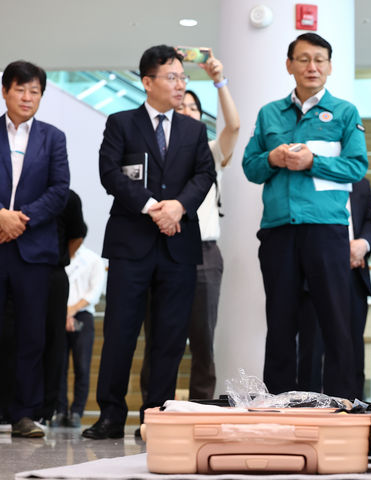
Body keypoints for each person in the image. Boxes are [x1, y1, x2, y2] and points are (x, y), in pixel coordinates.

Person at [83, 45, 215, 440]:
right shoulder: (121, 122)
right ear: (147, 82)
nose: (179, 85)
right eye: (171, 77)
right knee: (121, 332)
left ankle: (154, 416)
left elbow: (204, 175)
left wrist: (178, 207)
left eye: (182, 78)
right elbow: (110, 173)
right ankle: (110, 415)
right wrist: (152, 206)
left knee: (170, 336)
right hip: (130, 244)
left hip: (178, 246)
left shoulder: (194, 128)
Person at [242, 33, 368, 399]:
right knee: (279, 323)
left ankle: (344, 402)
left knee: (335, 322)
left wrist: (314, 162)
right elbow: (250, 167)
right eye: (303, 59)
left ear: (329, 67)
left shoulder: (345, 112)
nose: (312, 67)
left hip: (326, 231)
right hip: (279, 231)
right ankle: (277, 402)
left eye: (319, 60)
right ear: (289, 65)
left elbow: (357, 166)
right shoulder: (269, 114)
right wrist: (272, 158)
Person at [140, 51, 240, 401]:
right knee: (158, 336)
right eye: (183, 109)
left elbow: (234, 127)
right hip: (161, 248)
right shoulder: (156, 150)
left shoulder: (209, 151)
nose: (187, 114)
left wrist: (219, 81)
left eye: (194, 110)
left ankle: (200, 407)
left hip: (203, 253)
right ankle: (153, 410)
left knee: (202, 340)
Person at [0, 61, 70, 437]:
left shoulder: (52, 137)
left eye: (35, 91)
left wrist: (18, 219)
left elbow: (60, 190)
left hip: (34, 249)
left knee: (32, 335)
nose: (27, 97)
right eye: (20, 89)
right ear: (5, 91)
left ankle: (24, 414)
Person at [297, 178, 371, 399]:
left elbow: (370, 220)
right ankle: (308, 405)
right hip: (317, 273)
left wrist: (364, 245)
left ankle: (353, 404)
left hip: (354, 275)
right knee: (312, 347)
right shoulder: (313, 176)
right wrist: (340, 252)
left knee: (352, 348)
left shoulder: (361, 182)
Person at [41, 189, 86, 425]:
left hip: (53, 272)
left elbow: (77, 234)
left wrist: (59, 258)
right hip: (16, 271)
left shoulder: (68, 198)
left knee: (54, 343)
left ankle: (46, 409)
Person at [57, 238, 105, 428]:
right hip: (59, 314)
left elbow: (94, 292)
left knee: (82, 365)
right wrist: (64, 312)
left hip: (83, 316)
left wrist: (72, 310)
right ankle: (59, 410)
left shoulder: (93, 260)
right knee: (59, 365)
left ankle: (76, 411)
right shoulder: (58, 257)